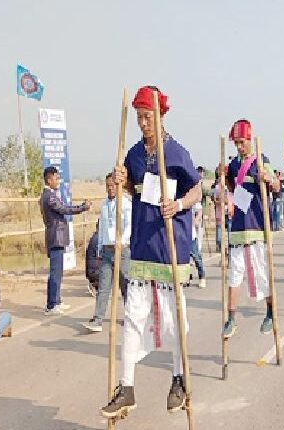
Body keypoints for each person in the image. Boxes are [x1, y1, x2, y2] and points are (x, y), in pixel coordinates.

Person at [101, 85, 201, 418]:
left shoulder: (177, 153)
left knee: (173, 320)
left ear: (160, 116)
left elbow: (197, 189)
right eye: (140, 118)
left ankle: (179, 380)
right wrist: (123, 181)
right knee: (132, 318)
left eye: (148, 117)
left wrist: (179, 204)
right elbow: (133, 189)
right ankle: (126, 387)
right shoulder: (133, 154)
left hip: (170, 246)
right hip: (142, 245)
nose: (143, 123)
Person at [222, 119, 280, 339]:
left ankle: (270, 312)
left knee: (262, 274)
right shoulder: (233, 165)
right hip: (238, 226)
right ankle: (231, 318)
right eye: (236, 143)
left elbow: (276, 186)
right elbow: (232, 188)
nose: (239, 147)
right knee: (234, 274)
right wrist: (224, 177)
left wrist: (268, 178)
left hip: (256, 226)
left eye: (242, 142)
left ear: (249, 140)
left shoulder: (261, 161)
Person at [83, 173, 132, 332]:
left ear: (119, 186)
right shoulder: (104, 205)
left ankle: (131, 317)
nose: (110, 188)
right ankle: (97, 320)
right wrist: (100, 247)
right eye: (108, 186)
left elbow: (129, 225)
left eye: (112, 185)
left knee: (125, 286)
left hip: (122, 250)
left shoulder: (126, 204)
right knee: (103, 287)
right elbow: (102, 228)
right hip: (106, 251)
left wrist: (122, 241)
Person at [39, 166, 91, 316]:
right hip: (56, 237)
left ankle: (57, 301)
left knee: (58, 272)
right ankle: (51, 305)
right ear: (49, 180)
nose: (58, 181)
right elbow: (64, 209)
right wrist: (83, 207)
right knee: (55, 273)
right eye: (56, 178)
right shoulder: (49, 197)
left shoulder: (50, 195)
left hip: (57, 237)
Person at [190, 201, 206, 288]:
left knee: (196, 257)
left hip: (191, 234)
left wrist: (196, 220)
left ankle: (202, 276)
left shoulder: (190, 196)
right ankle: (185, 277)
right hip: (178, 234)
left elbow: (200, 210)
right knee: (182, 258)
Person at [85, 221, 101, 297]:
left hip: (93, 269)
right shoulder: (97, 239)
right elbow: (100, 255)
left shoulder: (96, 237)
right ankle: (95, 283)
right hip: (94, 270)